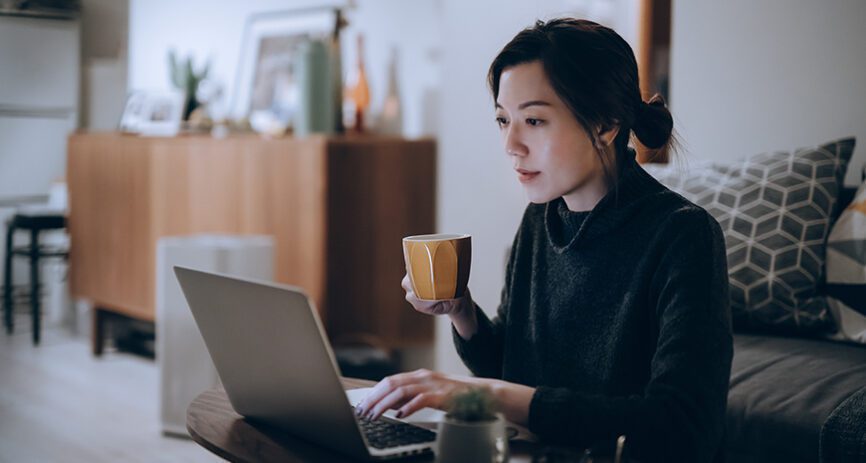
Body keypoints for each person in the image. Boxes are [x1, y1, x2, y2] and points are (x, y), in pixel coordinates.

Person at [355, 17, 732, 463]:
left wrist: (481, 393)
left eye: (533, 120)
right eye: (502, 120)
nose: (511, 144)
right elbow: (514, 371)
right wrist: (461, 311)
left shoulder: (683, 236)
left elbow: (681, 427)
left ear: (606, 124)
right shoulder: (540, 220)